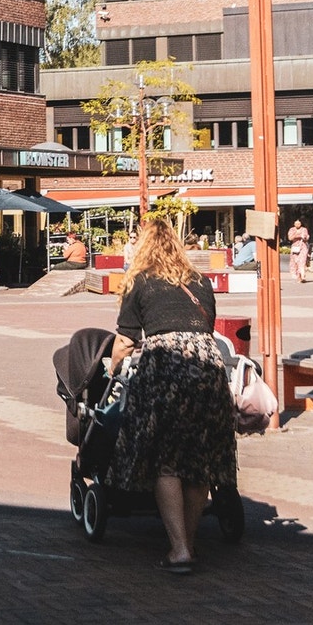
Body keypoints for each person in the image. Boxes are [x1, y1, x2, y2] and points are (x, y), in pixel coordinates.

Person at [106, 217, 236, 575]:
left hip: (167, 367)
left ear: (143, 246)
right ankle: (187, 544)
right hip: (208, 366)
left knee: (167, 460)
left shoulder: (140, 281)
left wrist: (113, 367)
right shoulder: (200, 281)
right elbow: (204, 328)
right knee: (198, 462)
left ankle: (178, 549)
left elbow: (126, 341)